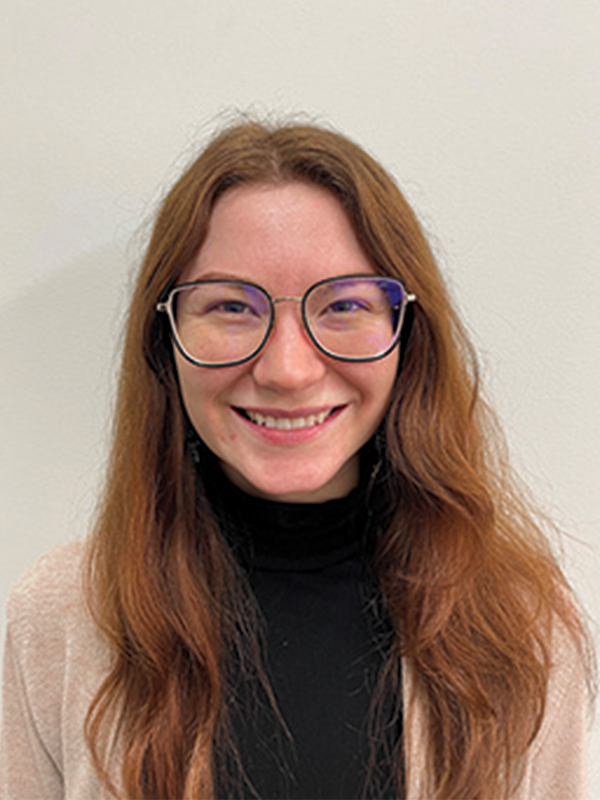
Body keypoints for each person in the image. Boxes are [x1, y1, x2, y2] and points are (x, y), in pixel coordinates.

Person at [0, 119, 594, 800]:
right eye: (231, 306)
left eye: (344, 304)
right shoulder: (61, 616)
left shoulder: (521, 624)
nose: (288, 368)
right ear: (164, 341)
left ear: (408, 337)